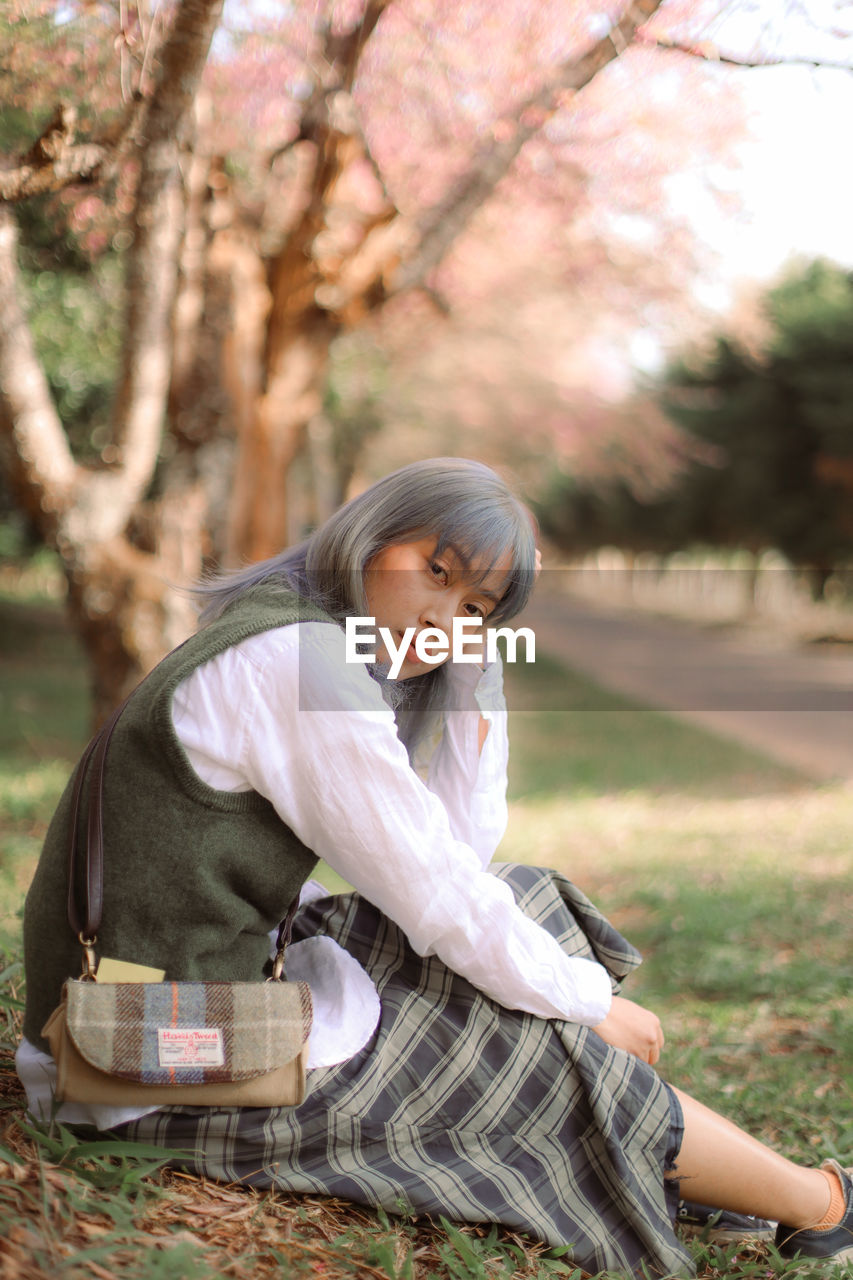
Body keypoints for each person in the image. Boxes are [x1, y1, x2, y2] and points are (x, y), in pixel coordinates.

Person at [17, 458, 852, 1276]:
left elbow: (460, 850)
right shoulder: (299, 662)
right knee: (530, 1038)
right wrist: (589, 1004)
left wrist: (473, 671)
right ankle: (822, 1205)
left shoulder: (300, 629)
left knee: (522, 905)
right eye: (436, 570)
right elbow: (436, 894)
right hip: (149, 1051)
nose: (442, 616)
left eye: (476, 606)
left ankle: (667, 1160)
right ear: (371, 532)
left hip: (200, 982)